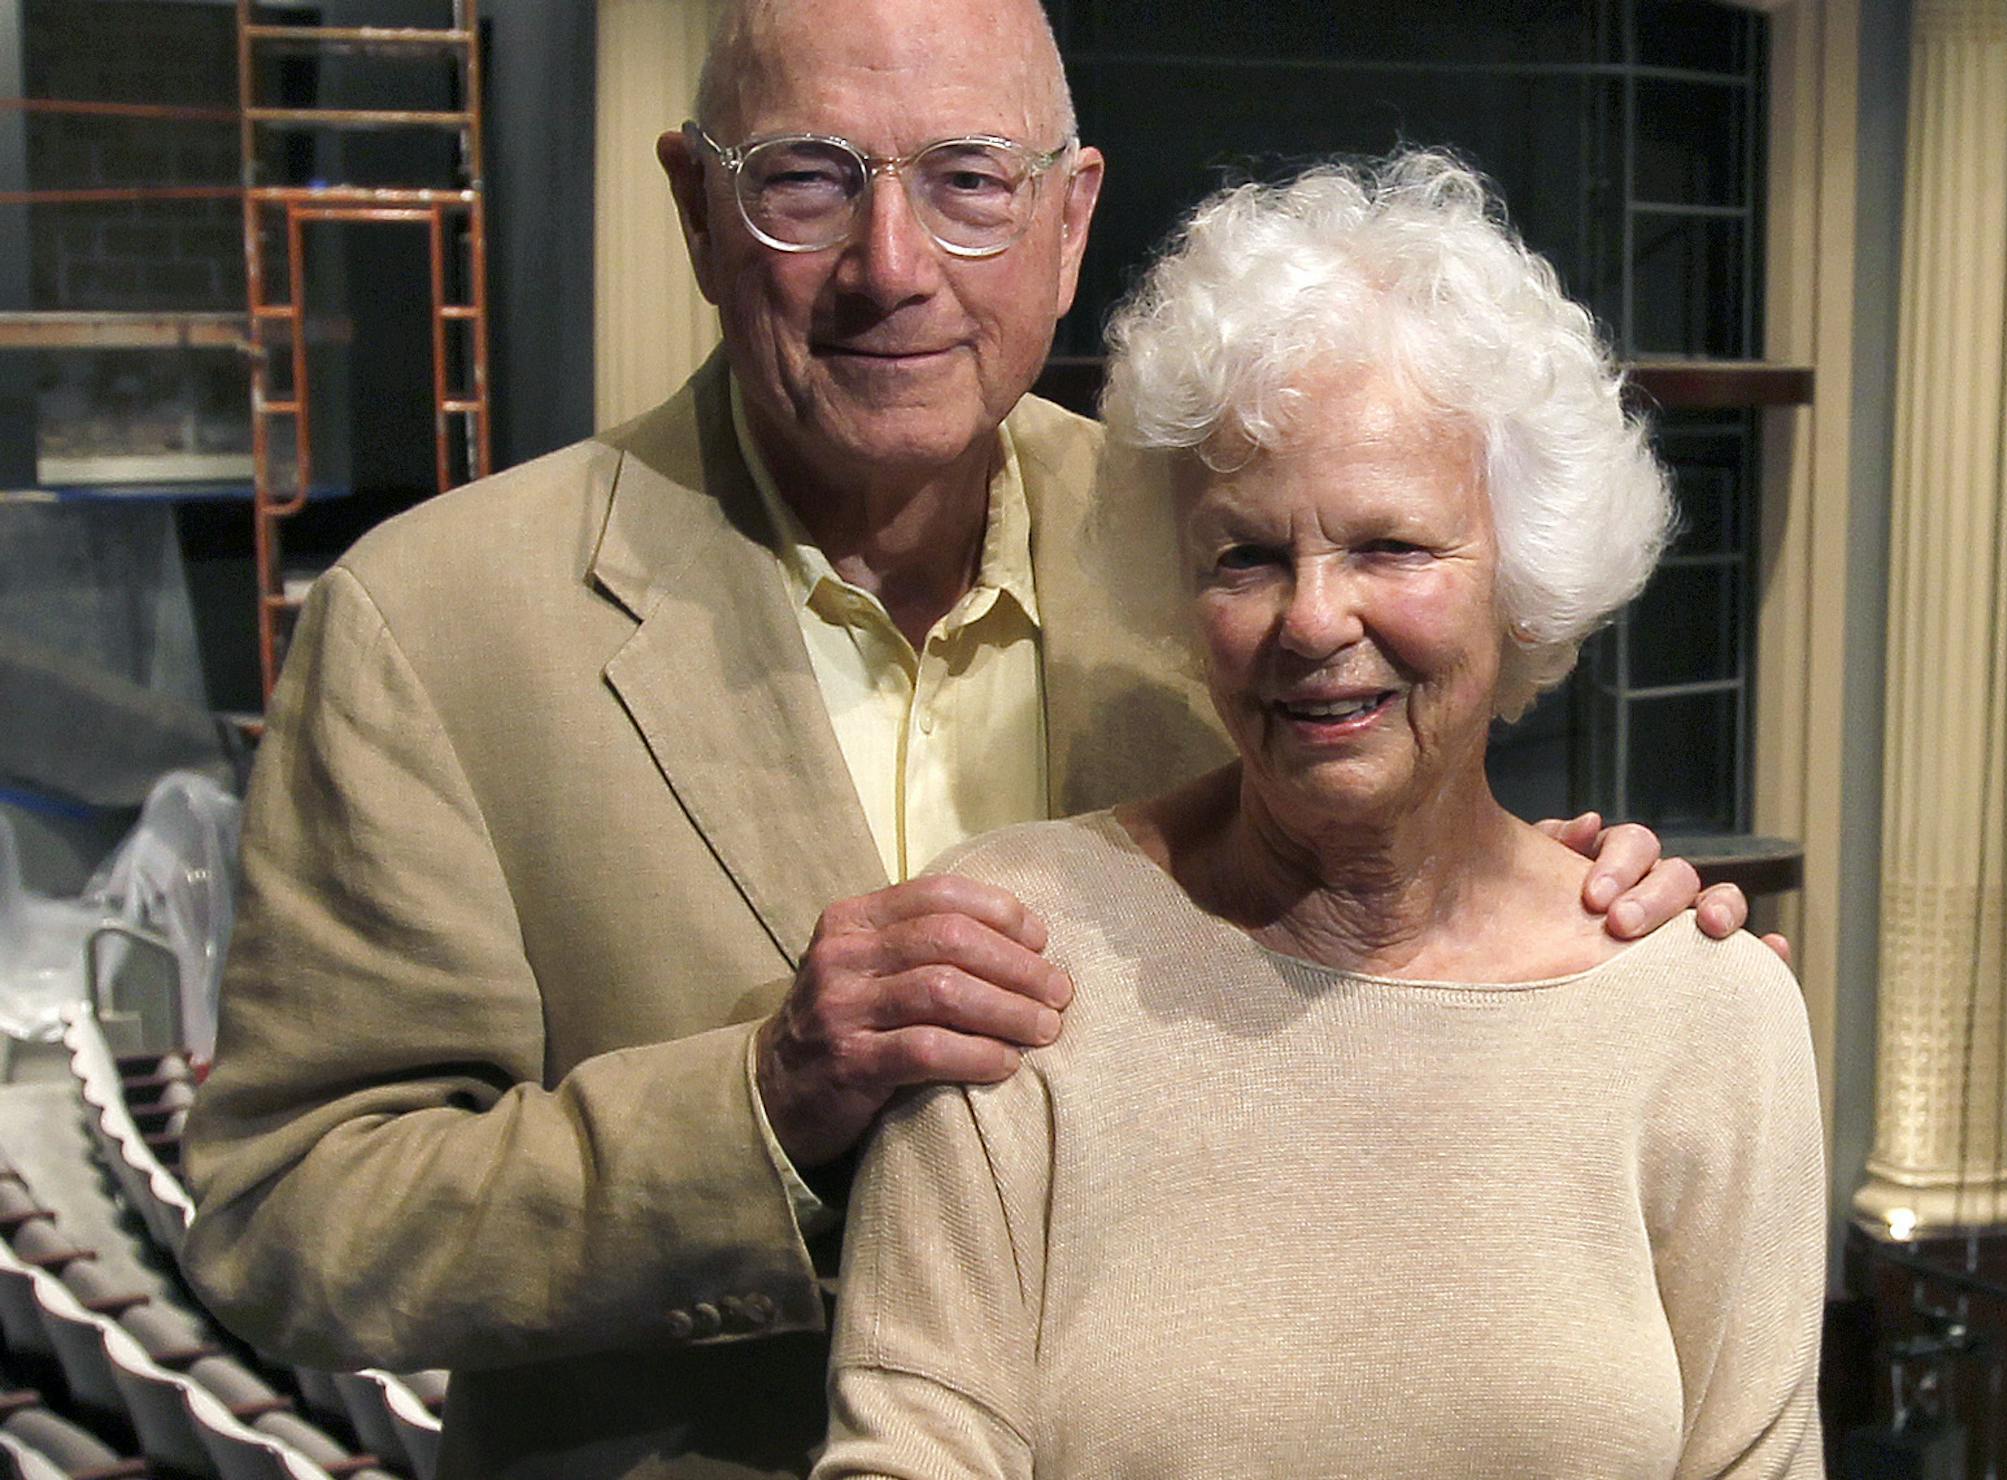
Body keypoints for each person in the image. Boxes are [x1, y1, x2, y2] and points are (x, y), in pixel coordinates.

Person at [177, 4, 1767, 1477]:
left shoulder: (1214, 539)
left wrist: (1548, 908)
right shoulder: (435, 622)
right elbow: (286, 1226)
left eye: (970, 183)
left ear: (1072, 219)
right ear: (695, 208)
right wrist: (762, 1103)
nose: (892, 262)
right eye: (806, 179)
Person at [814, 151, 1825, 1480]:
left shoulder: (1704, 1010)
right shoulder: (1011, 952)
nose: (1312, 620)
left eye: (1391, 546)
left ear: (1523, 570)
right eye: (1247, 555)